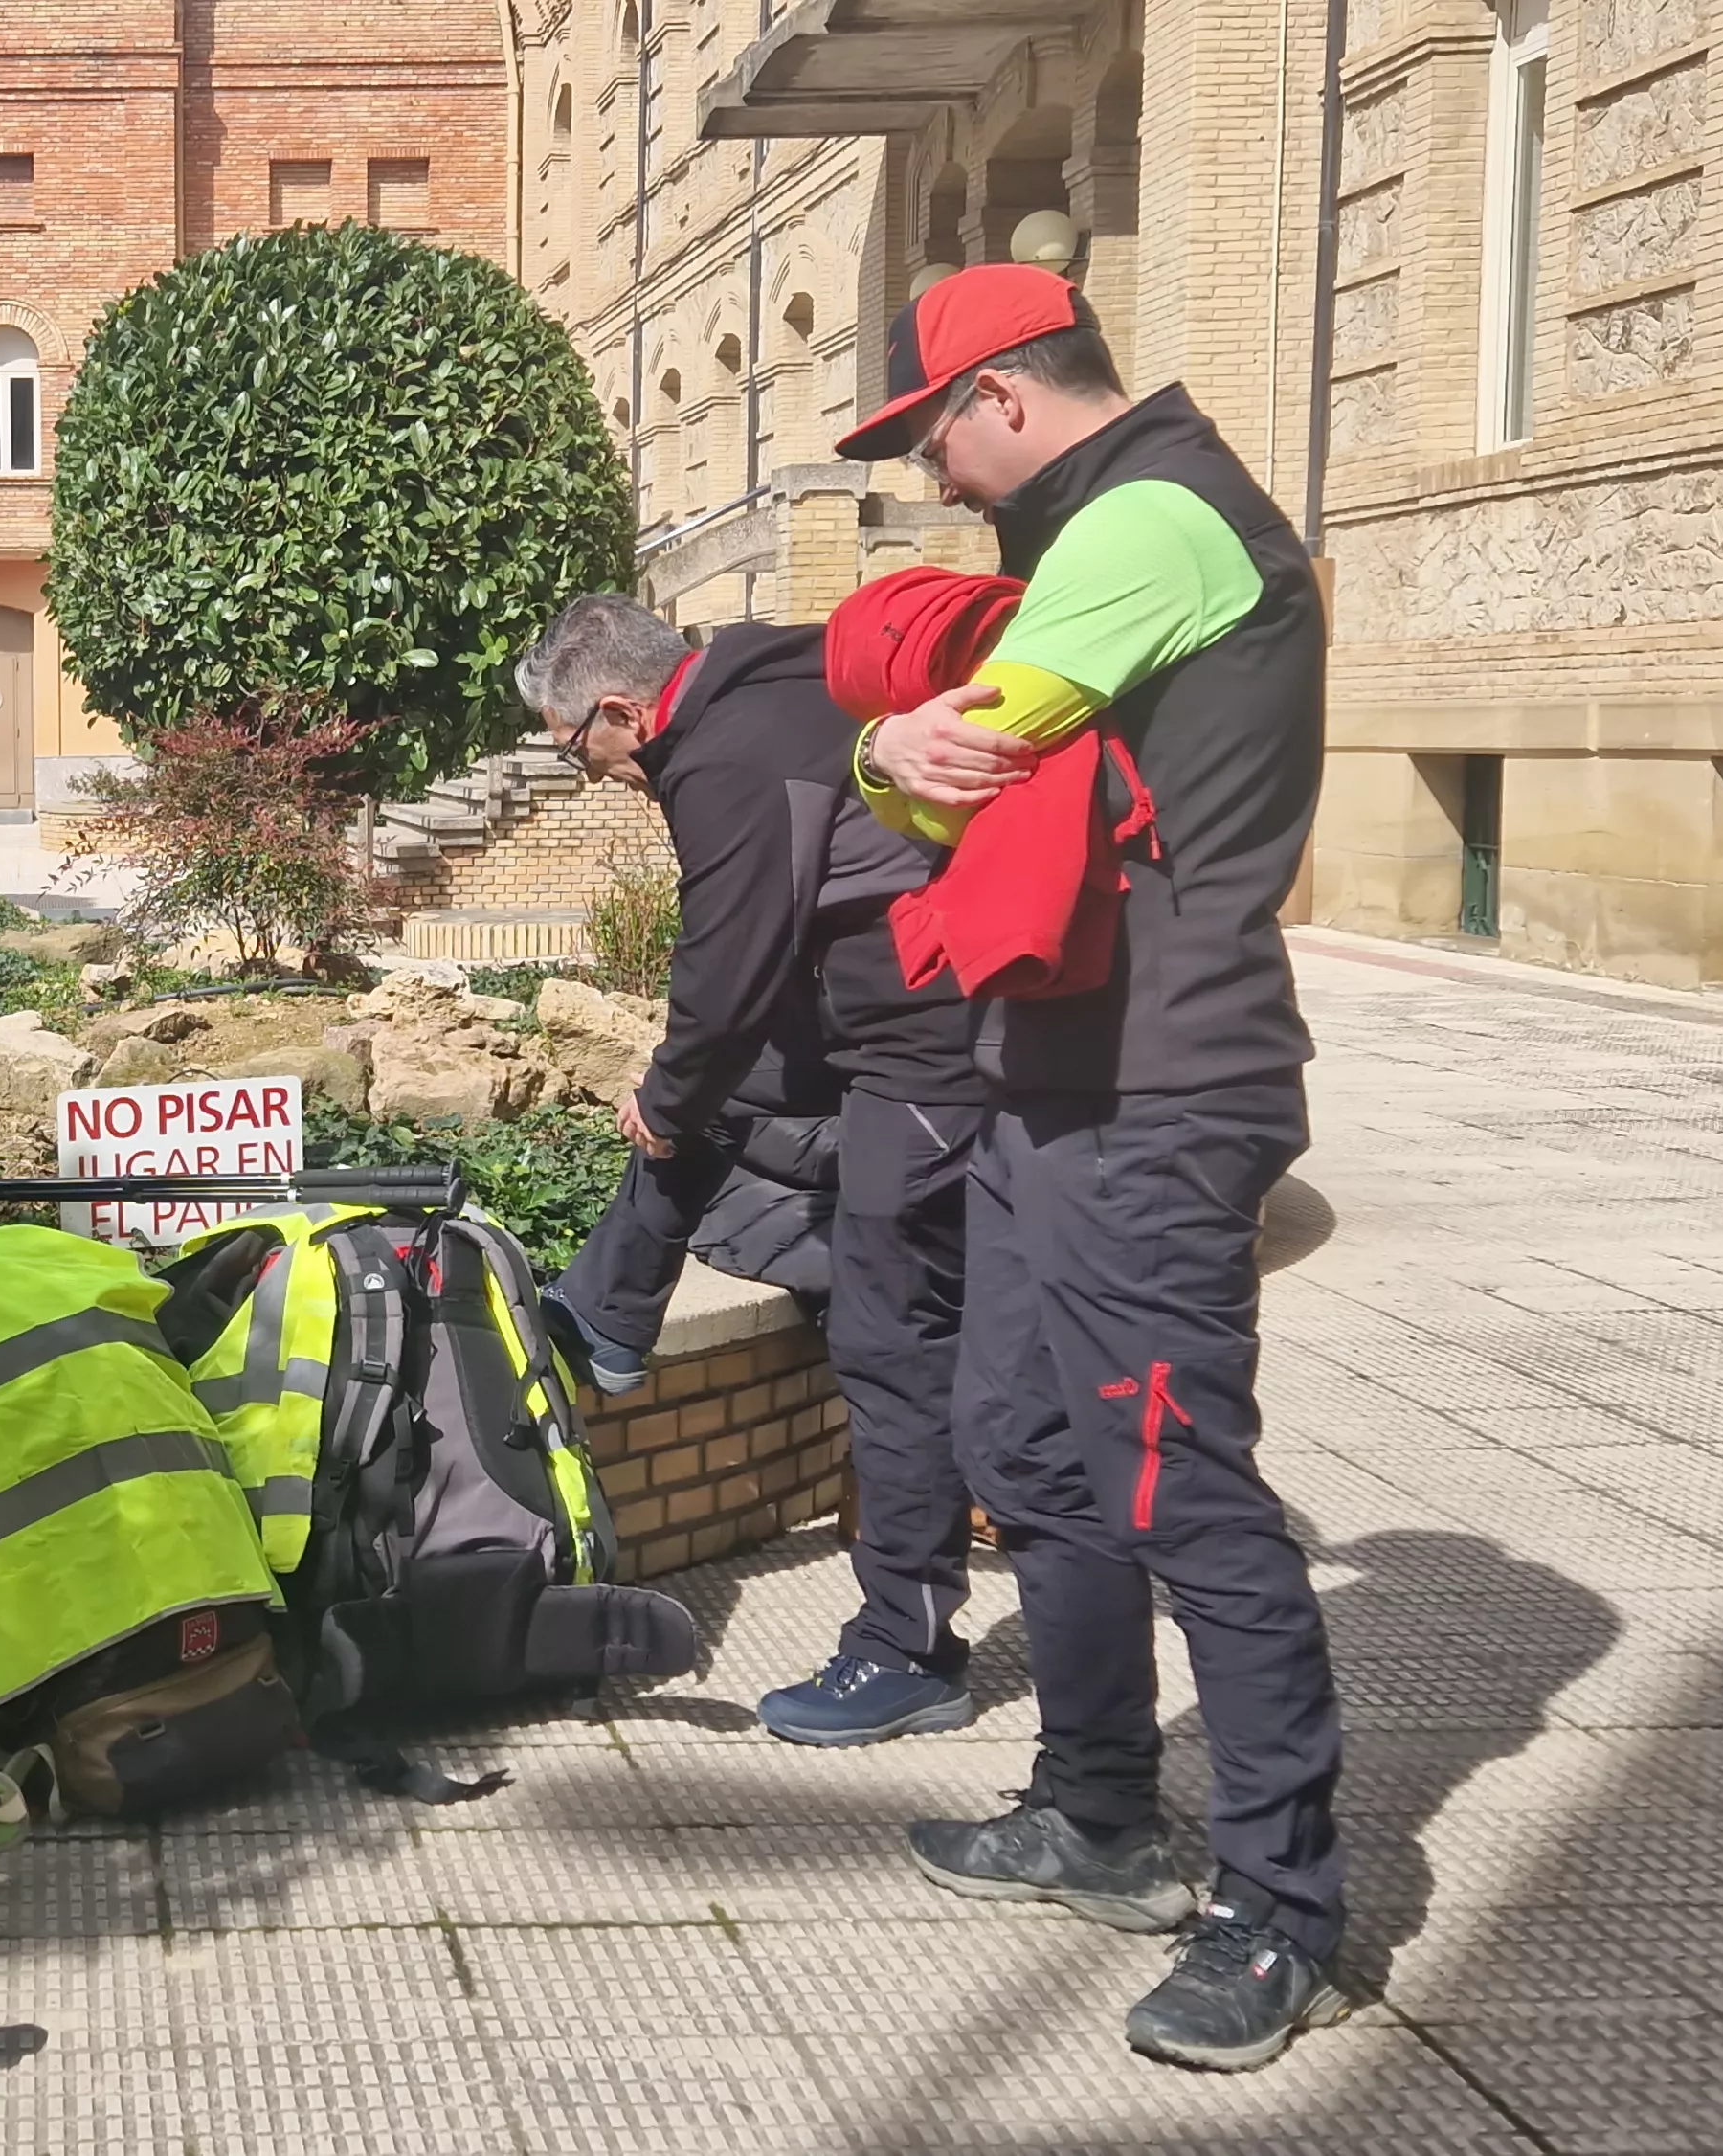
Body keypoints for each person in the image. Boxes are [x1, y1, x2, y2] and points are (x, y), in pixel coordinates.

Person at [839, 264, 1350, 2072]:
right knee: (1029, 1444)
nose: (940, 478)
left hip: (1156, 1085)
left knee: (1182, 1490)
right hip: (1055, 1068)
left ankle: (1282, 1909)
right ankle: (1099, 1810)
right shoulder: (1112, 515)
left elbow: (963, 758)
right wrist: (892, 740)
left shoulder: (1149, 512)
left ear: (998, 396)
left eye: (931, 438)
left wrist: (882, 743)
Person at [514, 597, 994, 1747]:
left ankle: (910, 1644)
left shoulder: (719, 757)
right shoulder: (769, 676)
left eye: (574, 745)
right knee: (715, 1115)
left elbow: (726, 965)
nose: (585, 773)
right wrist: (684, 1098)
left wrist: (664, 1101)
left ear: (623, 710)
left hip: (928, 1051)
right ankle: (606, 1318)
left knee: (886, 1341)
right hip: (886, 1031)